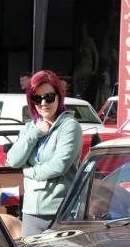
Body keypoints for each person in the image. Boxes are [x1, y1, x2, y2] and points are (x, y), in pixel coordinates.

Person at [5, 70, 82, 236]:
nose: (43, 103)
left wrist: (28, 171)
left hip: (60, 211)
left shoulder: (69, 126)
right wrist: (35, 133)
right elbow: (12, 160)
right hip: (31, 211)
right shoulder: (29, 128)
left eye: (49, 97)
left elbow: (58, 166)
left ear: (59, 96)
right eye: (37, 98)